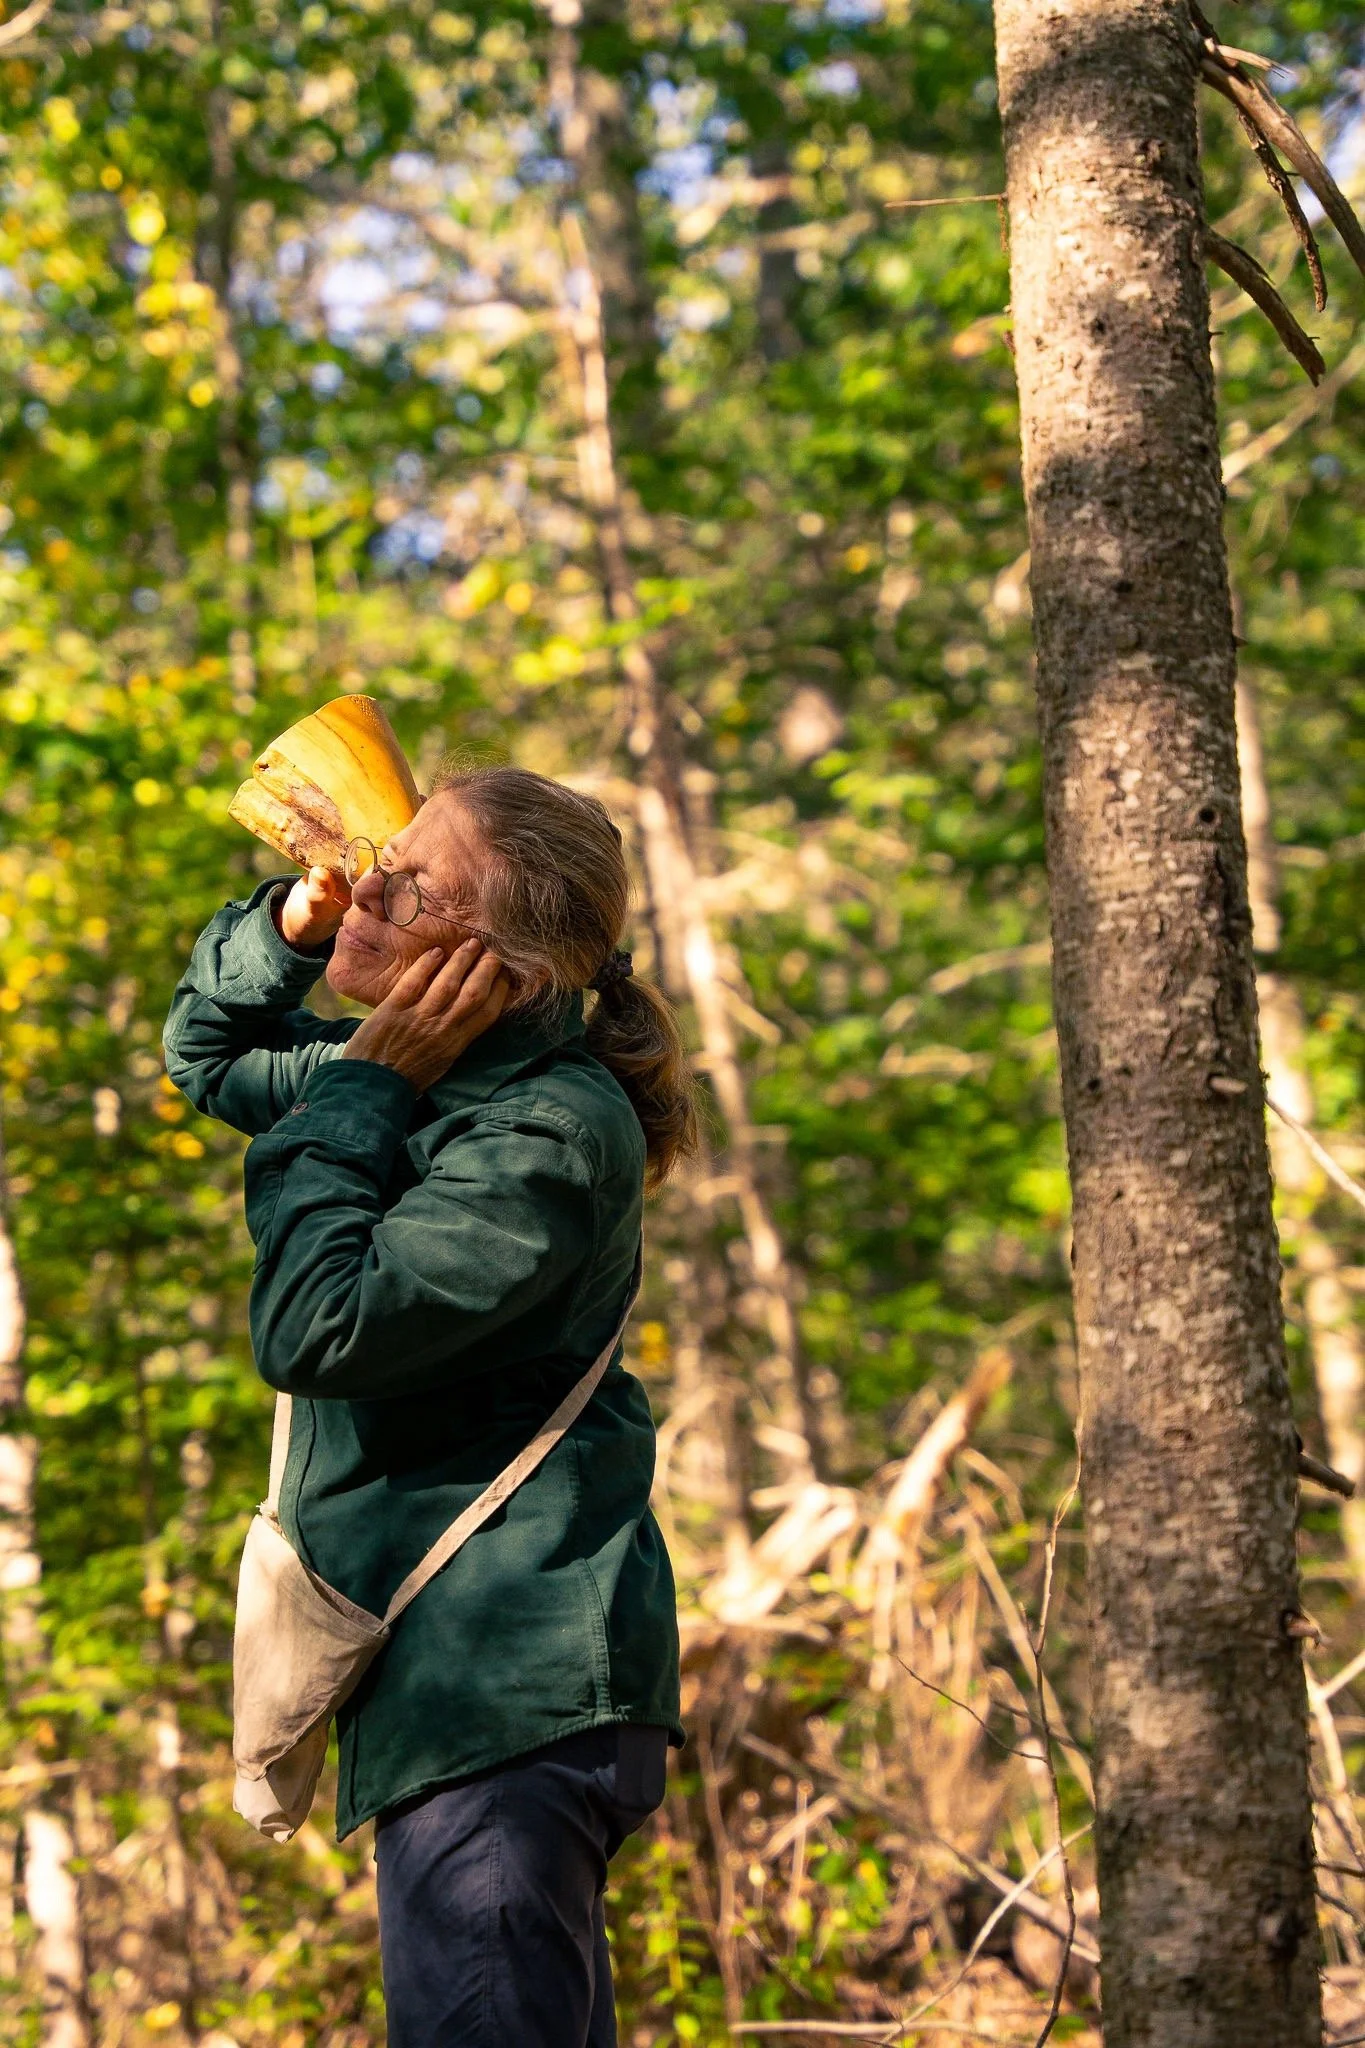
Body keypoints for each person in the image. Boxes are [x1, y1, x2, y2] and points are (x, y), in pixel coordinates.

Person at [164, 763, 696, 2047]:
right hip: (467, 1703)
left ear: (498, 976)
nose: (368, 881)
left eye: (411, 882)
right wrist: (291, 930)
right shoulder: (418, 1071)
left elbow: (315, 1326)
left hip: (504, 1699)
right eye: (384, 856)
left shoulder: (541, 1132)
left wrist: (361, 1087)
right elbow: (207, 1052)